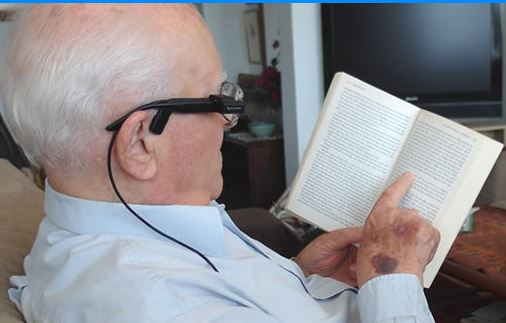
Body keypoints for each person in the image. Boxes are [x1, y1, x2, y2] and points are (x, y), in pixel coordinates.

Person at [2, 4, 440, 323]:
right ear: (140, 144)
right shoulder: (165, 307)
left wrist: (298, 275)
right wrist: (393, 275)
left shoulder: (108, 228)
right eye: (217, 99)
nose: (229, 119)